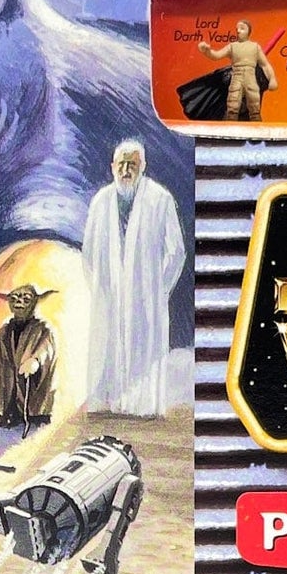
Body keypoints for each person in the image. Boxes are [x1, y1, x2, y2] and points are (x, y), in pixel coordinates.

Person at [82, 140, 186, 416]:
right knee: (109, 347)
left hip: (147, 298)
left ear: (143, 166)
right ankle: (107, 402)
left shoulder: (160, 199)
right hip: (109, 295)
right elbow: (88, 253)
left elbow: (176, 251)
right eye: (122, 164)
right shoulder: (100, 202)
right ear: (112, 167)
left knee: (144, 350)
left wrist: (157, 289)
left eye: (133, 164)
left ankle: (142, 405)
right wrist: (101, 289)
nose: (126, 170)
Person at [0, 285, 59, 431]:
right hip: (10, 380)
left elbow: (47, 348)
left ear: (35, 303)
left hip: (33, 383)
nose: (18, 303)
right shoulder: (5, 330)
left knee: (34, 405)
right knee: (7, 384)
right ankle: (4, 414)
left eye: (26, 300)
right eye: (13, 299)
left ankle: (36, 416)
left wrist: (35, 361)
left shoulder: (43, 328)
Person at [197, 18, 277, 122]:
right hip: (237, 77)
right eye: (237, 29)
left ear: (248, 31)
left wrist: (272, 79)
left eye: (242, 28)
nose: (238, 31)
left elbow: (265, 65)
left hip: (250, 77)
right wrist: (207, 51)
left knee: (254, 105)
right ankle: (230, 126)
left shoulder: (255, 47)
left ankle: (256, 127)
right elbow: (216, 55)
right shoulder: (232, 47)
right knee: (233, 104)